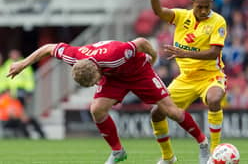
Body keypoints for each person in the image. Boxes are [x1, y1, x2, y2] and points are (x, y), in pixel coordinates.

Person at [7, 38, 209, 164]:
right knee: (97, 109)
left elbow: (141, 42)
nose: (95, 85)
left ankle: (202, 144)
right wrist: (23, 64)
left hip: (139, 72)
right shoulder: (74, 56)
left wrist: (153, 58)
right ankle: (118, 151)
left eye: (94, 81)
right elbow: (48, 48)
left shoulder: (116, 54)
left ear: (98, 71)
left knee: (171, 111)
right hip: (113, 78)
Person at [146, 0, 227, 163]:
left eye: (207, 7)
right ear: (192, 4)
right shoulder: (182, 16)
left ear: (211, 4)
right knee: (156, 113)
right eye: (200, 7)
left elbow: (214, 53)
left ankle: (214, 153)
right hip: (186, 78)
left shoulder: (218, 21)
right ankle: (168, 157)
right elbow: (159, 12)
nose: (204, 11)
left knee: (214, 99)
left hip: (210, 76)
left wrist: (184, 53)